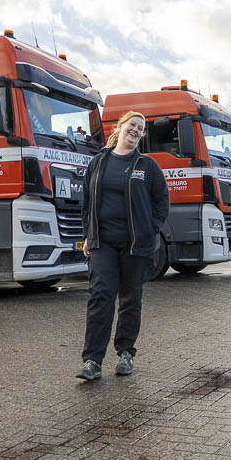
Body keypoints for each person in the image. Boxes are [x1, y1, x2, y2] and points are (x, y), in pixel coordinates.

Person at [76, 111, 169, 380]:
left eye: (141, 128)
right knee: (101, 295)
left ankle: (126, 353)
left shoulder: (147, 165)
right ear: (120, 127)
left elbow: (162, 201)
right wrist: (88, 236)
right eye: (132, 125)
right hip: (102, 242)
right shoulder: (98, 162)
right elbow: (86, 203)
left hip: (135, 245)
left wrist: (151, 230)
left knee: (130, 300)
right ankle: (92, 360)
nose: (136, 130)